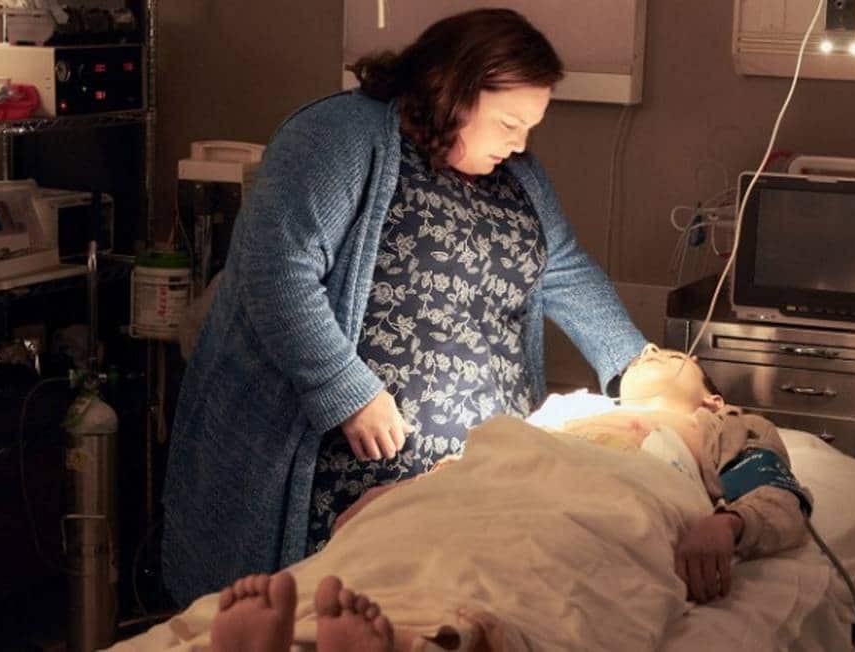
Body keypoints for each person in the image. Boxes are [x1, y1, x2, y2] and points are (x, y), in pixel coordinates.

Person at [162, 8, 649, 606]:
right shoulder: (339, 135)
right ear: (454, 91)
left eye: (530, 128)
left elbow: (566, 271)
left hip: (472, 485)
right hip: (347, 474)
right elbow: (275, 270)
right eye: (509, 123)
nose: (520, 143)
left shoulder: (517, 175)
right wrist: (346, 390)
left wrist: (638, 366)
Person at [194, 345, 811, 652]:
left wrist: (726, 525)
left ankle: (436, 635)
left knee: (538, 560)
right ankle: (316, 632)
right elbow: (487, 458)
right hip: (484, 486)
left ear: (710, 397)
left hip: (611, 500)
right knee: (393, 547)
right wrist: (408, 491)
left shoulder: (721, 425)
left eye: (673, 354)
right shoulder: (568, 410)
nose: (651, 352)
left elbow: (777, 498)